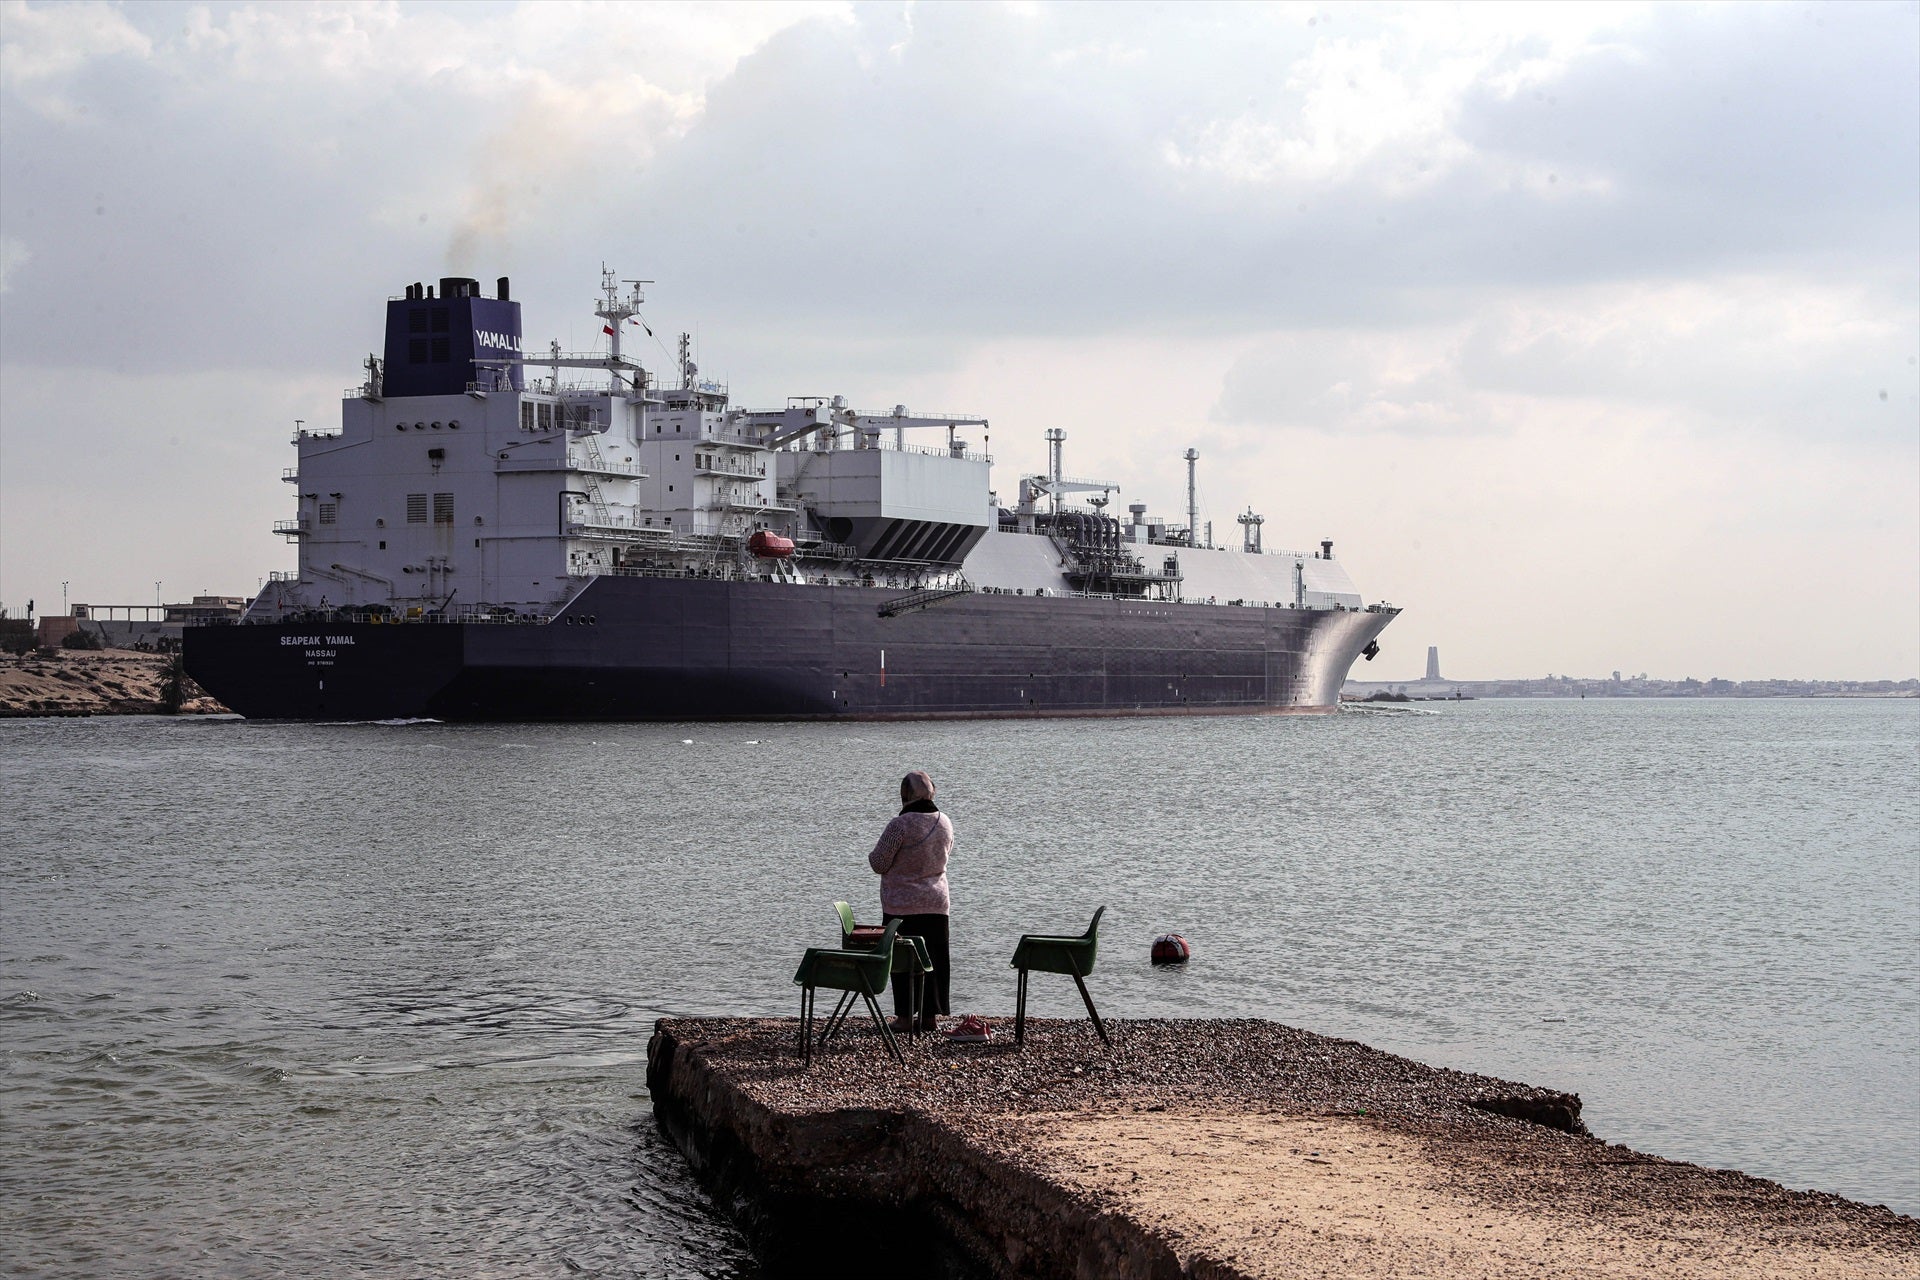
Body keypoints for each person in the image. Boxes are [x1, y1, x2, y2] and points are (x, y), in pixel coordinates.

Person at [867, 769, 952, 1032]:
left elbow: (879, 863)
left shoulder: (899, 825)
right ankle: (929, 1017)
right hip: (937, 902)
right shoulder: (944, 821)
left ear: (905, 794)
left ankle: (904, 1016)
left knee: (903, 961)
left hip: (901, 905)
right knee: (934, 959)